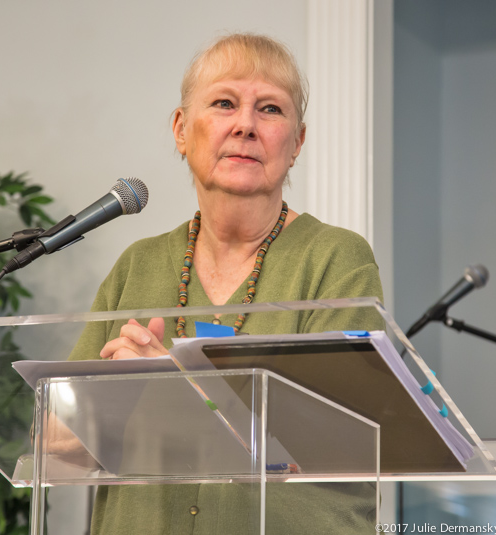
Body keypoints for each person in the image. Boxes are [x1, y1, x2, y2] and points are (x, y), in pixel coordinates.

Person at [63, 33, 384, 534]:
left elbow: (339, 436)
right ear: (181, 129)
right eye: (224, 103)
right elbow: (56, 444)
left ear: (297, 143)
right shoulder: (137, 265)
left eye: (271, 109)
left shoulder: (336, 259)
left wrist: (172, 391)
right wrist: (110, 404)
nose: (245, 126)